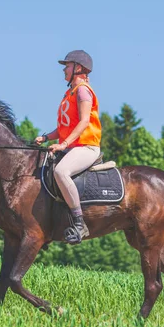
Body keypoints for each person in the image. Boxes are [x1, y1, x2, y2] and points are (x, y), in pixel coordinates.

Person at [34, 50, 102, 244]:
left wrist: (62, 144)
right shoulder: (70, 92)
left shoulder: (82, 90)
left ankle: (80, 223)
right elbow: (64, 127)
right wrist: (46, 137)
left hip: (86, 147)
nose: (64, 69)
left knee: (61, 172)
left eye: (67, 65)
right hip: (71, 147)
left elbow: (83, 123)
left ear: (78, 68)